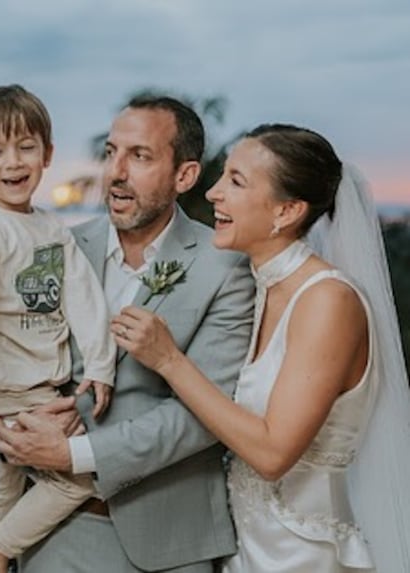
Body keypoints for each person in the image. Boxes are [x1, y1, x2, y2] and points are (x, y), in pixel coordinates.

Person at [111, 124, 410, 572]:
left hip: (304, 559)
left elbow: (273, 454)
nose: (213, 193)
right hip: (244, 549)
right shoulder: (260, 287)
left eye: (236, 181)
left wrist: (170, 360)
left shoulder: (328, 301)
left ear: (287, 211)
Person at [0, 93, 256, 572]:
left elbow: (206, 415)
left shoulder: (226, 270)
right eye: (111, 153)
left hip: (171, 543)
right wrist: (18, 431)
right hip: (55, 537)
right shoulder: (52, 248)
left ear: (184, 176)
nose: (116, 172)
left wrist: (75, 453)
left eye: (140, 156)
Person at [0, 84, 116, 573]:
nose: (12, 162)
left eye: (26, 147)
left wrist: (99, 365)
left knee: (8, 472)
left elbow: (84, 298)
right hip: (10, 386)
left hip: (38, 382)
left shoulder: (52, 229)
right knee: (77, 479)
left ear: (47, 154)